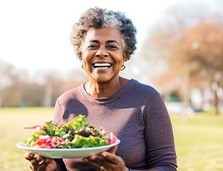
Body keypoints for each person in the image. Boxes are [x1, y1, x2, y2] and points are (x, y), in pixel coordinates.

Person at [25, 7, 177, 171]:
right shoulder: (66, 102)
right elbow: (61, 165)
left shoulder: (147, 99)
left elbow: (166, 167)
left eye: (112, 46)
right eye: (93, 46)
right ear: (81, 54)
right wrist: (51, 168)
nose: (101, 53)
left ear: (124, 55)